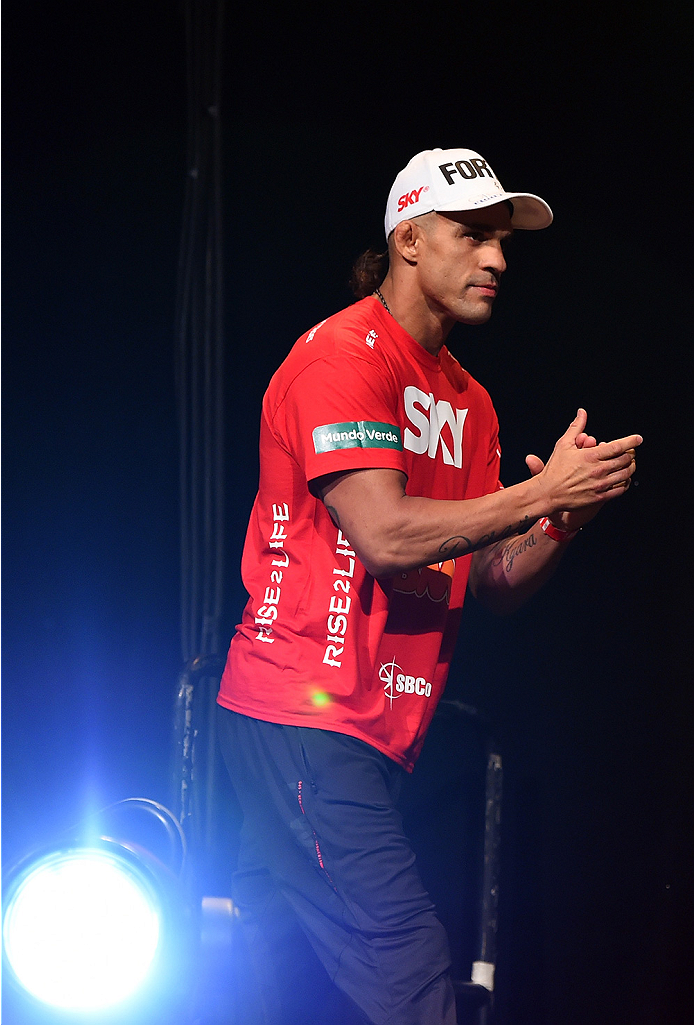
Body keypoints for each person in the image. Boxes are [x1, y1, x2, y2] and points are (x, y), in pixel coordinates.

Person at [215, 147, 641, 1025]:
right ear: (409, 237)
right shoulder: (341, 357)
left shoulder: (470, 401)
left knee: (281, 988)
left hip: (372, 730)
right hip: (303, 712)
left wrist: (562, 519)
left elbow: (491, 578)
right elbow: (385, 536)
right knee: (411, 973)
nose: (498, 258)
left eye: (502, 242)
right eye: (474, 235)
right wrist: (536, 493)